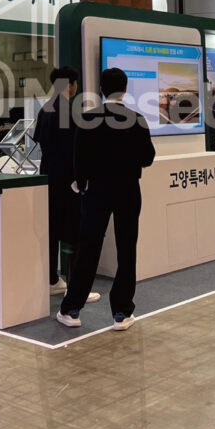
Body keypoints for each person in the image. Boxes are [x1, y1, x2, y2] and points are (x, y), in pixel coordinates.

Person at [57, 67, 156, 331]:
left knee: (88, 248)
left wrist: (82, 185)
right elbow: (148, 157)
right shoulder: (137, 119)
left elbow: (79, 160)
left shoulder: (87, 118)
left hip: (96, 192)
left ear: (101, 89)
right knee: (127, 249)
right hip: (128, 190)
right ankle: (121, 313)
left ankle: (72, 309)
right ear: (125, 89)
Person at [34, 66, 95, 300]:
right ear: (71, 85)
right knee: (74, 233)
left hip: (48, 178)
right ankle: (76, 290)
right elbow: (78, 150)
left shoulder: (45, 110)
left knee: (52, 230)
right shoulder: (70, 111)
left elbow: (40, 141)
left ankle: (52, 280)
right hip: (68, 182)